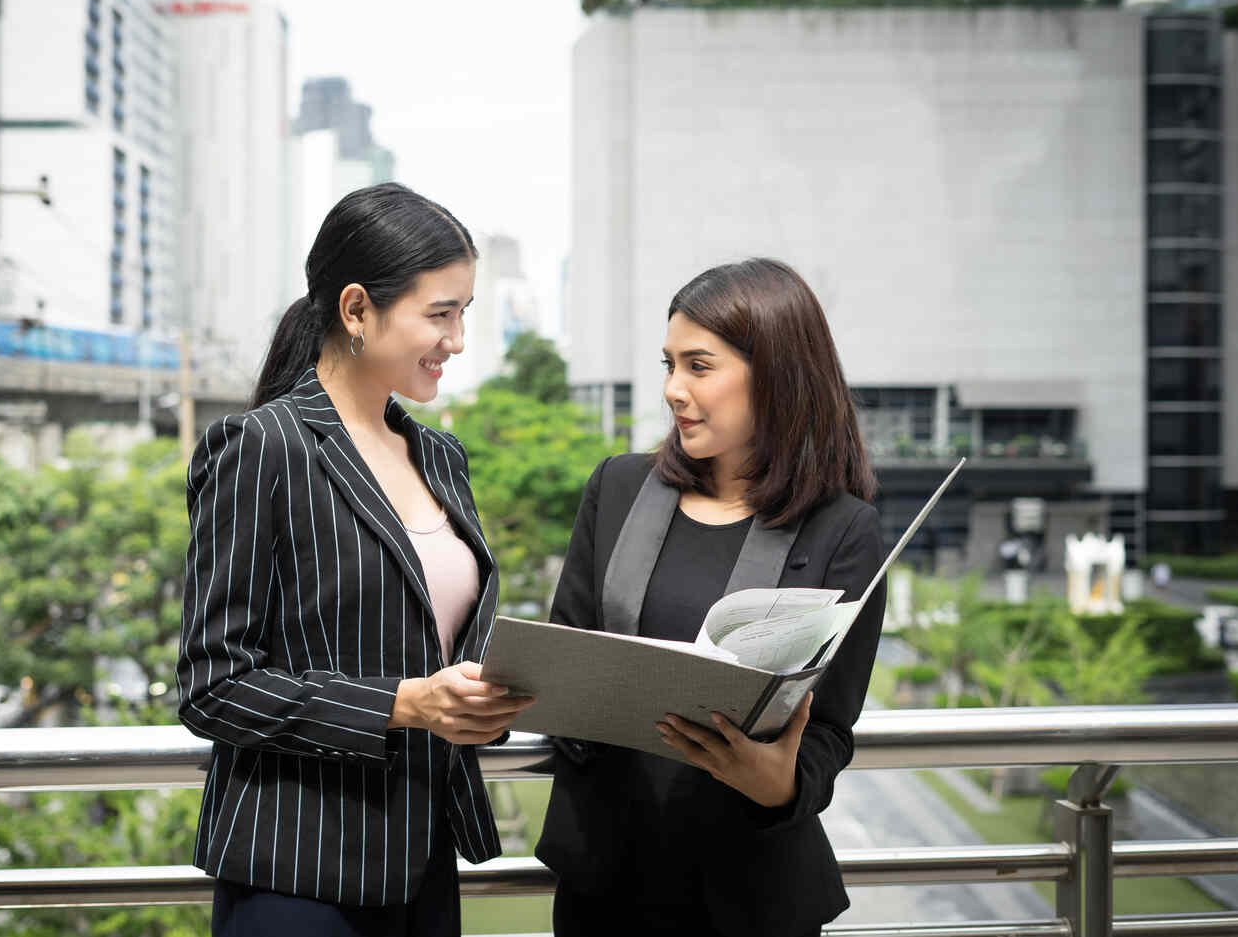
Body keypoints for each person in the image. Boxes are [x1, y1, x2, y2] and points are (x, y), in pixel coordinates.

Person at [176, 182, 533, 937]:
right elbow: (213, 686)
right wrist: (403, 704)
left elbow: (436, 646)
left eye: (464, 312)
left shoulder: (440, 455)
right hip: (298, 875)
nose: (458, 340)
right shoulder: (263, 448)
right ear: (356, 310)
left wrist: (481, 704)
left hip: (425, 859)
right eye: (440, 314)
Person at [535, 258, 886, 937]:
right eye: (668, 364)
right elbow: (565, 656)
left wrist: (773, 781)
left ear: (777, 373)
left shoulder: (842, 528)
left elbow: (829, 731)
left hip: (751, 896)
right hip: (605, 888)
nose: (671, 388)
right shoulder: (618, 487)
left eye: (699, 366)